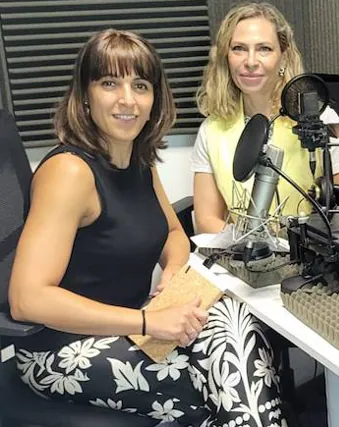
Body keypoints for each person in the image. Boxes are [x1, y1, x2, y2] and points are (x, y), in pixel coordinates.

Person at [8, 29, 286, 427]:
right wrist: (146, 322)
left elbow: (174, 234)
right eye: (109, 83)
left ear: (155, 97)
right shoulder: (68, 172)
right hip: (60, 350)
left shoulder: (136, 159)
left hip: (134, 327)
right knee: (212, 388)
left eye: (140, 85)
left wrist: (173, 272)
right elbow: (27, 300)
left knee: (234, 324)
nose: (127, 100)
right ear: (84, 96)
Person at [192, 1, 339, 234]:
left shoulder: (321, 118)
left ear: (283, 58)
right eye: (239, 48)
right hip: (245, 254)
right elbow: (207, 219)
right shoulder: (211, 130)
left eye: (264, 48)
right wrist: (255, 245)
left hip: (311, 254)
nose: (251, 61)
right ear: (226, 57)